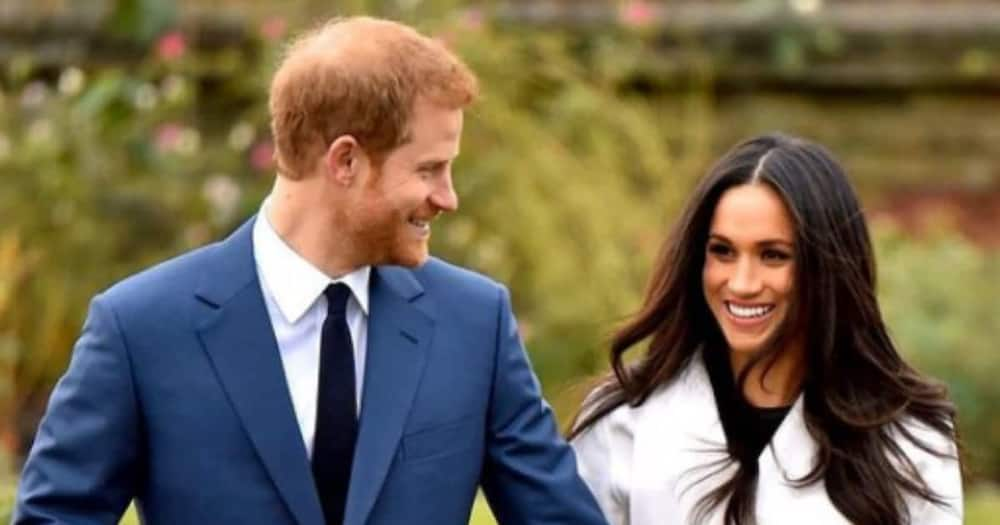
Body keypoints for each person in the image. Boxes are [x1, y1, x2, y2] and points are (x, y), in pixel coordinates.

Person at [15, 16, 607, 525]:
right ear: (345, 160)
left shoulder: (474, 324)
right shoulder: (139, 329)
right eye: (429, 169)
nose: (448, 197)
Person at [569, 133, 963, 525]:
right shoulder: (625, 420)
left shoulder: (911, 441)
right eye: (722, 251)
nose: (741, 283)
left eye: (773, 255)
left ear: (828, 268)